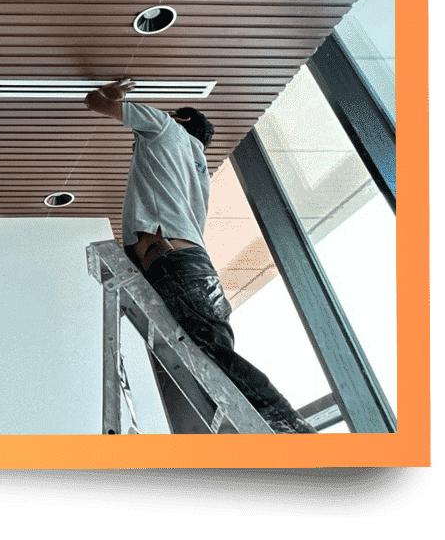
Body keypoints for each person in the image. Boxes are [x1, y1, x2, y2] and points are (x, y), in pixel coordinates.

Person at [84, 77, 315, 434]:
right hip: (187, 267)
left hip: (177, 266)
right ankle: (275, 428)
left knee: (215, 358)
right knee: (213, 362)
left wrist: (113, 94)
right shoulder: (198, 168)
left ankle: (288, 428)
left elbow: (95, 101)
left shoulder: (165, 128)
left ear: (181, 120)